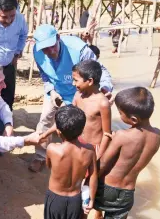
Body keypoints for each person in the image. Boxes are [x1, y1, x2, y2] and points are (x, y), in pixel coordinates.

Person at [29, 24, 113, 173]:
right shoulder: (37, 53)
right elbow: (44, 75)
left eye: (52, 46)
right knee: (45, 121)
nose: (49, 51)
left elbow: (99, 69)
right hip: (55, 92)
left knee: (80, 128)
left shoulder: (79, 50)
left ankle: (76, 157)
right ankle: (40, 156)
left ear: (58, 38)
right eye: (45, 49)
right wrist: (51, 90)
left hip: (78, 93)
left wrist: (105, 86)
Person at [94, 87, 160, 219]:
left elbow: (102, 164)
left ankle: (98, 214)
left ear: (134, 119)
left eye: (120, 113)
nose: (119, 116)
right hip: (128, 192)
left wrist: (90, 180)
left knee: (91, 208)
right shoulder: (157, 135)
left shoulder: (121, 136)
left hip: (107, 188)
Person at [44, 105, 98, 219]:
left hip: (55, 198)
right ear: (82, 130)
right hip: (76, 200)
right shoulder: (89, 150)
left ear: (58, 131)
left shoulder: (52, 149)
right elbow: (93, 176)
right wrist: (91, 199)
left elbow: (49, 166)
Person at [72, 60, 111, 158]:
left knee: (91, 173)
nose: (73, 83)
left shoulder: (103, 103)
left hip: (94, 148)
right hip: (78, 142)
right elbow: (70, 117)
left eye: (76, 80)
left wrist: (99, 157)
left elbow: (107, 134)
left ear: (90, 81)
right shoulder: (77, 95)